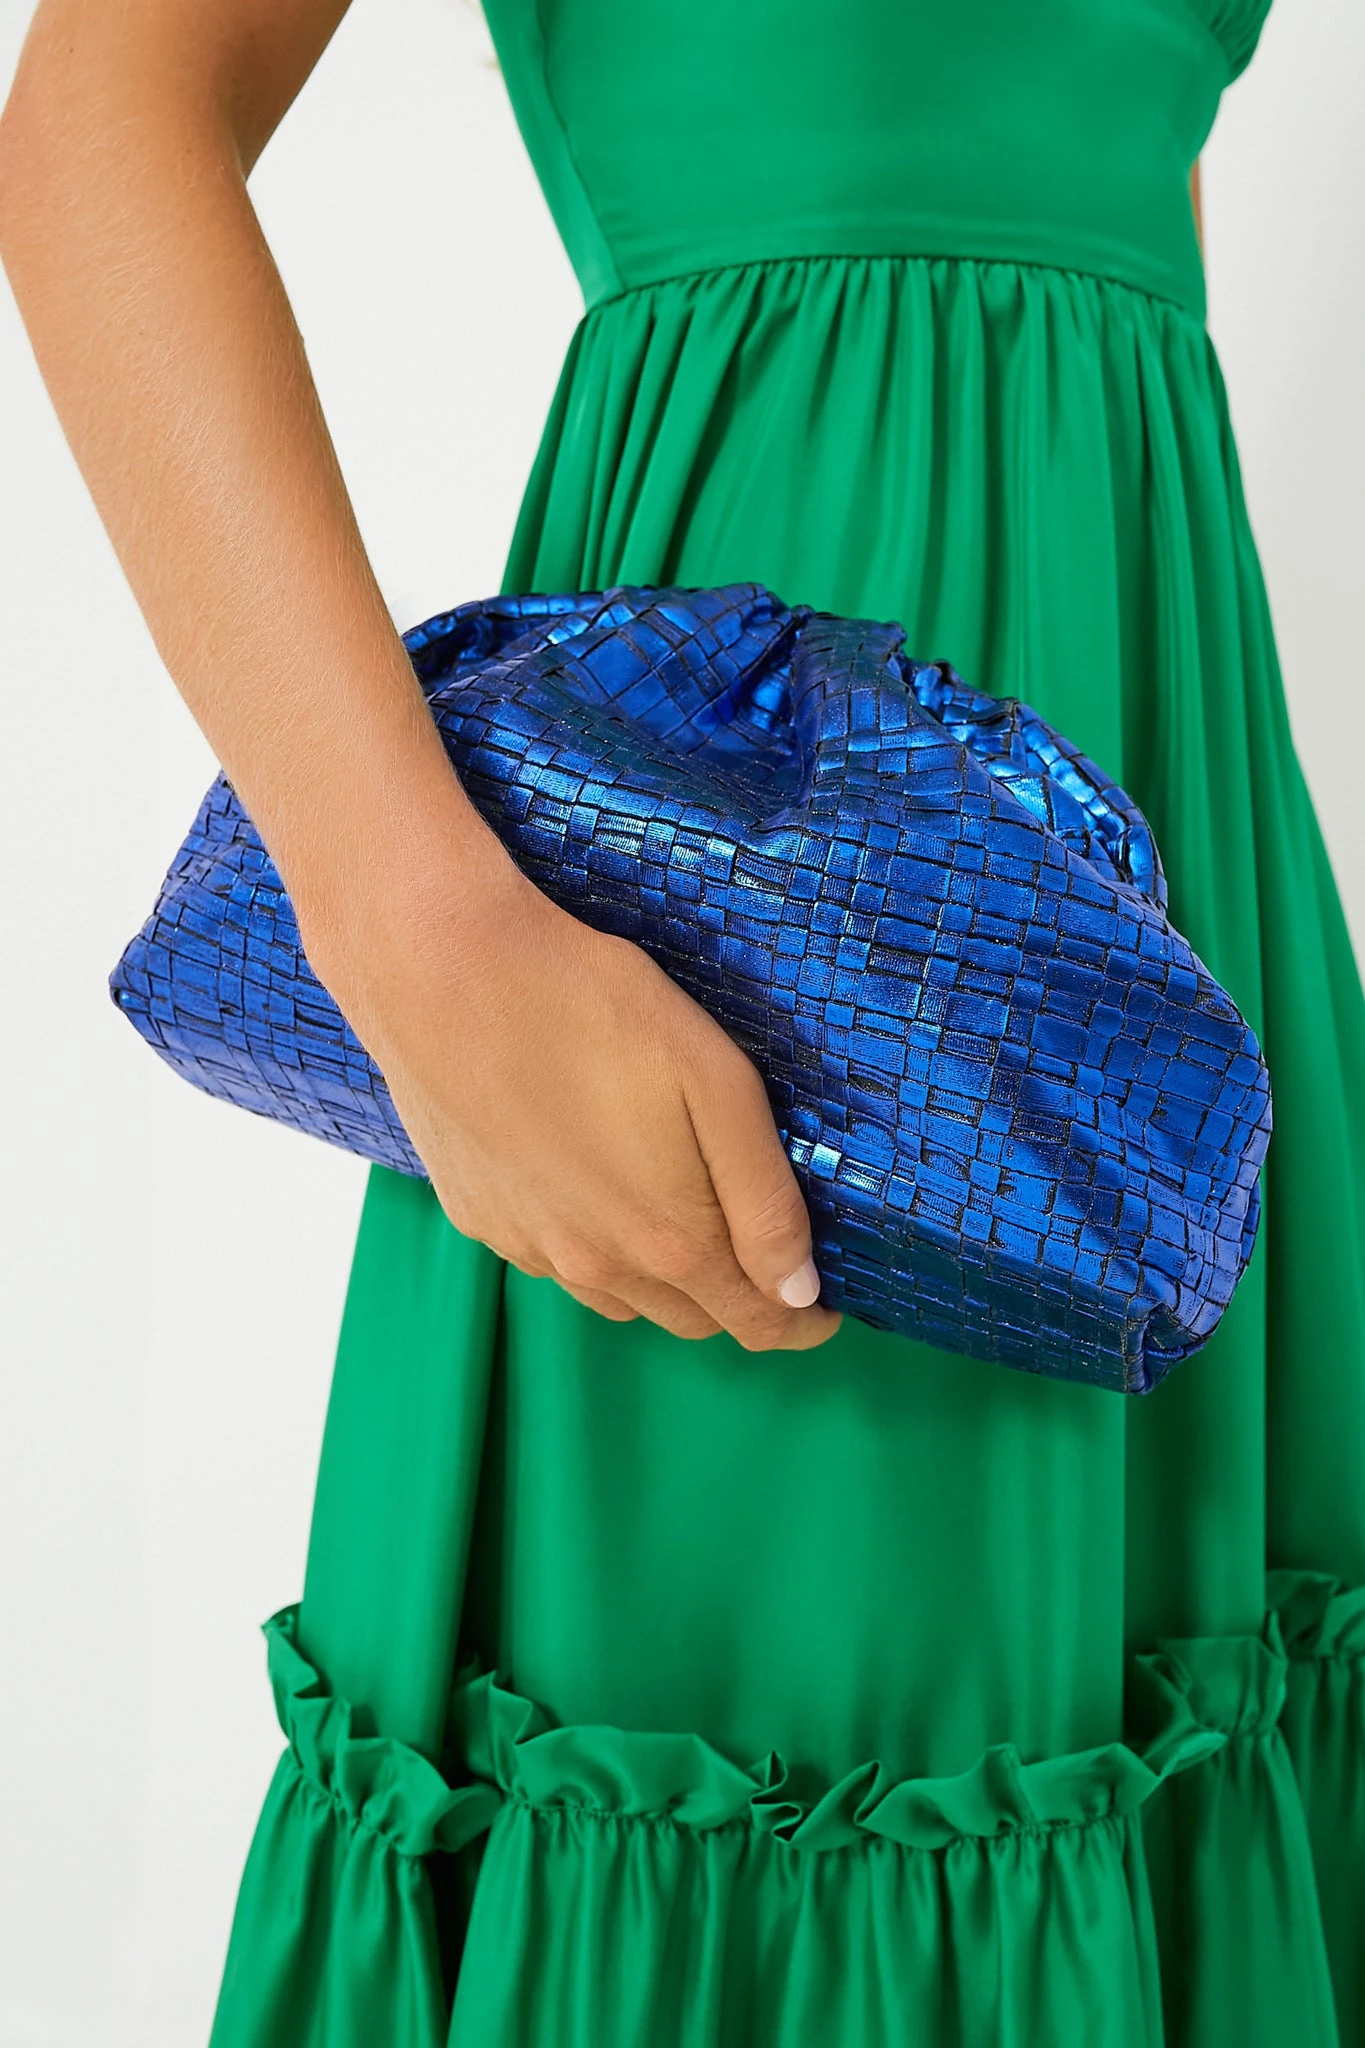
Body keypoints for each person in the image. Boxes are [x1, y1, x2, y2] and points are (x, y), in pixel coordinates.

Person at [3, 0, 1363, 2042]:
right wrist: (418, 931)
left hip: (1169, 831)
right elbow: (104, 115)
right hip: (772, 904)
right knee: (808, 1760)